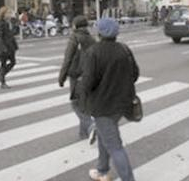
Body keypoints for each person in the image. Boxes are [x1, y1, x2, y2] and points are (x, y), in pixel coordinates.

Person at [79, 17, 138, 181]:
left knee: (115, 146)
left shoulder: (94, 52)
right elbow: (135, 74)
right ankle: (102, 170)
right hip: (122, 103)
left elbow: (88, 82)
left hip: (103, 105)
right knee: (105, 135)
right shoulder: (124, 49)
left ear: (99, 33)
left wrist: (83, 95)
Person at [58, 15, 97, 142]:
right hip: (89, 75)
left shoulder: (74, 38)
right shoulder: (91, 38)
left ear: (74, 26)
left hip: (77, 75)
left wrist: (62, 77)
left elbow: (67, 59)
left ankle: (90, 125)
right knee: (83, 102)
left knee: (76, 104)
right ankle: (84, 133)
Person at [0, 6, 18, 89]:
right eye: (8, 13)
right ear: (4, 14)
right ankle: (2, 82)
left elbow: (14, 32)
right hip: (4, 47)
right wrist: (2, 47)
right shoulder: (1, 23)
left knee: (13, 62)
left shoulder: (10, 22)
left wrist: (15, 21)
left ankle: (2, 74)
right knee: (3, 64)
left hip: (11, 46)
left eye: (10, 13)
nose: (10, 14)